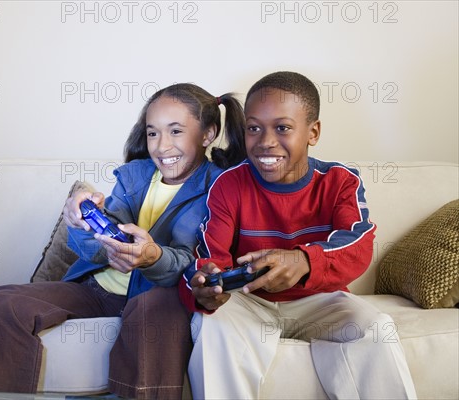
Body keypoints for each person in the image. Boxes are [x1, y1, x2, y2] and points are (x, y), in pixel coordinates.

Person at [0, 83, 247, 398]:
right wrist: (80, 223)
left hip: (160, 297)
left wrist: (153, 256)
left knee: (152, 314)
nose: (161, 147)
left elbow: (202, 262)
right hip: (98, 290)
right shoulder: (134, 175)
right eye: (152, 133)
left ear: (207, 134)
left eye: (176, 132)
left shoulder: (222, 187)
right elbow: (97, 249)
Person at [179, 71, 417, 399]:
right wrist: (205, 286)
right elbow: (208, 257)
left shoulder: (339, 180)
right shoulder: (229, 184)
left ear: (313, 132)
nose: (265, 141)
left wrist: (304, 259)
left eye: (283, 128)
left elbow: (358, 243)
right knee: (213, 323)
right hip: (249, 300)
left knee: (373, 326)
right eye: (254, 128)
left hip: (320, 300)